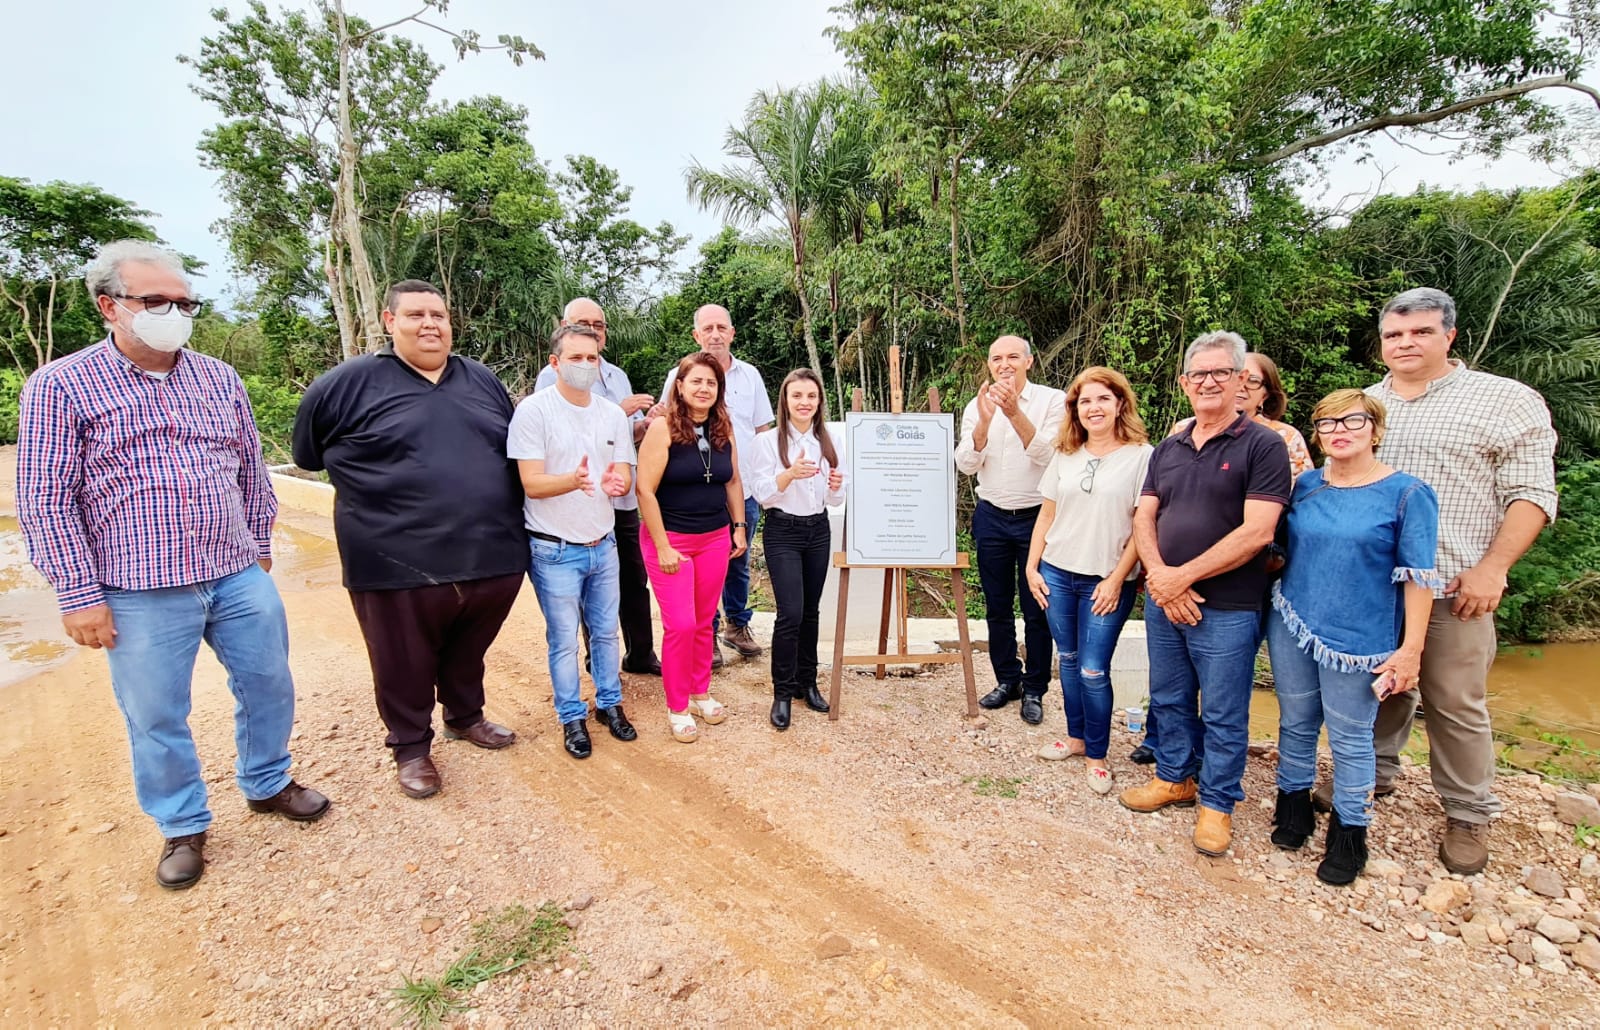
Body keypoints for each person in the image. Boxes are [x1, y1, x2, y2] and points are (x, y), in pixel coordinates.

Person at [16, 240, 329, 890]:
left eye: (184, 301)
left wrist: (260, 544)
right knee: (157, 713)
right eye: (156, 301)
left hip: (236, 572)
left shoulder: (218, 377)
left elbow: (250, 466)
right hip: (137, 589)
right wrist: (78, 593)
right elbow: (45, 499)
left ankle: (267, 782)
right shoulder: (60, 387)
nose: (175, 312)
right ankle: (182, 823)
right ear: (110, 306)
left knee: (269, 683)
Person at [1347, 287, 1558, 875]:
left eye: (1420, 332)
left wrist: (1494, 568)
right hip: (1369, 585)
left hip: (1452, 583)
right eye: (1395, 334)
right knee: (1376, 689)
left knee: (1454, 701)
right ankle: (1374, 775)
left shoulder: (1503, 400)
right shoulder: (1362, 403)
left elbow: (1533, 493)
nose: (1406, 343)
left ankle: (1468, 812)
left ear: (1449, 336)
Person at [292, 280, 526, 800]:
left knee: (470, 647)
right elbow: (308, 455)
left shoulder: (481, 380)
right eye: (416, 314)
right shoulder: (346, 384)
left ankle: (465, 717)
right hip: (392, 555)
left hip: (491, 551)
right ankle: (411, 748)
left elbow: (513, 448)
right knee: (403, 656)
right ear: (388, 320)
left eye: (438, 315)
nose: (430, 324)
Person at [1119, 331, 1290, 857]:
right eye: (1199, 374)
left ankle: (1217, 803)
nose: (1209, 382)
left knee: (1222, 709)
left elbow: (1258, 531)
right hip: (1166, 597)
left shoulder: (1264, 446)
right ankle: (1175, 777)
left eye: (1221, 372)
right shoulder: (1169, 447)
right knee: (1168, 696)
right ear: (1184, 383)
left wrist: (1178, 577)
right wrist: (1162, 577)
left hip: (1229, 605)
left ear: (1242, 380)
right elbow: (1145, 513)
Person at [1267, 390, 1440, 885]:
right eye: (1327, 423)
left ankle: (1350, 832)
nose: (1340, 430)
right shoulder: (1305, 487)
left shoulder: (1406, 493)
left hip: (1360, 632)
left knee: (1350, 735)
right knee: (1296, 721)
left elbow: (1418, 577)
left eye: (1352, 421)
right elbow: (1279, 548)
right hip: (1294, 617)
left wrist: (1411, 651)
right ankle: (1293, 806)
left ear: (1375, 429)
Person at [510, 324, 639, 759]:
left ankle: (609, 704)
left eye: (592, 358)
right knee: (563, 638)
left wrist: (618, 482)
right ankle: (571, 716)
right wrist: (573, 480)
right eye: (576, 358)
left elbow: (622, 472)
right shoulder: (534, 412)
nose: (585, 365)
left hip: (603, 543)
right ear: (555, 363)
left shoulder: (612, 415)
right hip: (553, 548)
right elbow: (531, 483)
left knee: (605, 632)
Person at [1024, 367, 1153, 793]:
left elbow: (1141, 525)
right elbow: (1047, 513)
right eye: (1084, 401)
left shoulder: (1141, 456)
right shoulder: (1065, 454)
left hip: (1106, 578)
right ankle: (1077, 738)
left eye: (1102, 399)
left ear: (1119, 404)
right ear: (1075, 410)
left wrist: (1118, 579)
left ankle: (1098, 755)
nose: (1093, 408)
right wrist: (1031, 566)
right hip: (1058, 572)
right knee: (1069, 660)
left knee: (1094, 669)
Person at [534, 298, 661, 675]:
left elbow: (628, 435)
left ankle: (641, 653)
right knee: (589, 588)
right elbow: (571, 429)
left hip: (620, 498)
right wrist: (618, 410)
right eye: (583, 323)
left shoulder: (617, 374)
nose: (593, 330)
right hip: (578, 498)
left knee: (633, 580)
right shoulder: (550, 376)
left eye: (599, 325)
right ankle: (596, 658)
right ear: (564, 328)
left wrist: (645, 422)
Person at [955, 335, 1067, 725]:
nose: (1004, 364)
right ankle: (1007, 680)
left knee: (1038, 606)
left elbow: (1050, 456)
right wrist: (985, 422)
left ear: (1029, 362)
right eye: (996, 358)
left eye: (1013, 357)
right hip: (992, 515)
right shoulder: (976, 405)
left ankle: (1035, 687)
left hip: (1038, 516)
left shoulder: (1054, 401)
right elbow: (967, 464)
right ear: (989, 364)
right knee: (997, 605)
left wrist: (1014, 412)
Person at [637, 352, 749, 742]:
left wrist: (738, 526)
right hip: (672, 539)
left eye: (711, 383)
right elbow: (644, 491)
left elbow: (732, 481)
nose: (704, 389)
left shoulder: (723, 427)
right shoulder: (663, 428)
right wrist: (664, 546)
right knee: (680, 624)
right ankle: (677, 704)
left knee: (704, 620)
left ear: (719, 390)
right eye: (696, 381)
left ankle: (700, 690)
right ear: (680, 386)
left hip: (715, 537)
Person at [654, 305, 773, 666]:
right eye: (708, 328)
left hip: (742, 488)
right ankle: (707, 635)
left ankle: (737, 625)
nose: (716, 334)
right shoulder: (680, 374)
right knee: (698, 569)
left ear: (733, 333)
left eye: (722, 327)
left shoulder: (750, 376)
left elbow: (763, 431)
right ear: (696, 335)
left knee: (737, 561)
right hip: (693, 494)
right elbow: (664, 420)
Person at [750, 369, 846, 730]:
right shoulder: (768, 442)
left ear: (819, 400)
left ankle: (808, 682)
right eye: (797, 396)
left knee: (810, 611)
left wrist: (835, 485)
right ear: (785, 401)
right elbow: (762, 493)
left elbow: (837, 496)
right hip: (783, 530)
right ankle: (782, 691)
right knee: (789, 612)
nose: (804, 403)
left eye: (811, 396)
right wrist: (789, 474)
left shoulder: (831, 439)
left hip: (818, 529)